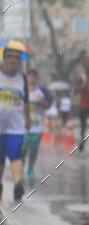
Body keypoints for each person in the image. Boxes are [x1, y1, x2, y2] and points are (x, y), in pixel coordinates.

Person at [0, 47, 31, 201]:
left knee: (15, 155)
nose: (14, 60)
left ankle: (18, 183)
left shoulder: (22, 78)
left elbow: (26, 101)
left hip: (15, 126)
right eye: (11, 56)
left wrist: (28, 119)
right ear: (4, 58)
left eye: (17, 58)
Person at [22, 69, 52, 179]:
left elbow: (48, 105)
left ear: (37, 78)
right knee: (23, 149)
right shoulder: (23, 91)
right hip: (24, 126)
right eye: (30, 76)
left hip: (38, 127)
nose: (32, 78)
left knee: (34, 149)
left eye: (34, 76)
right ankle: (21, 166)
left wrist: (43, 100)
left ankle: (30, 169)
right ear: (27, 78)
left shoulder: (41, 91)